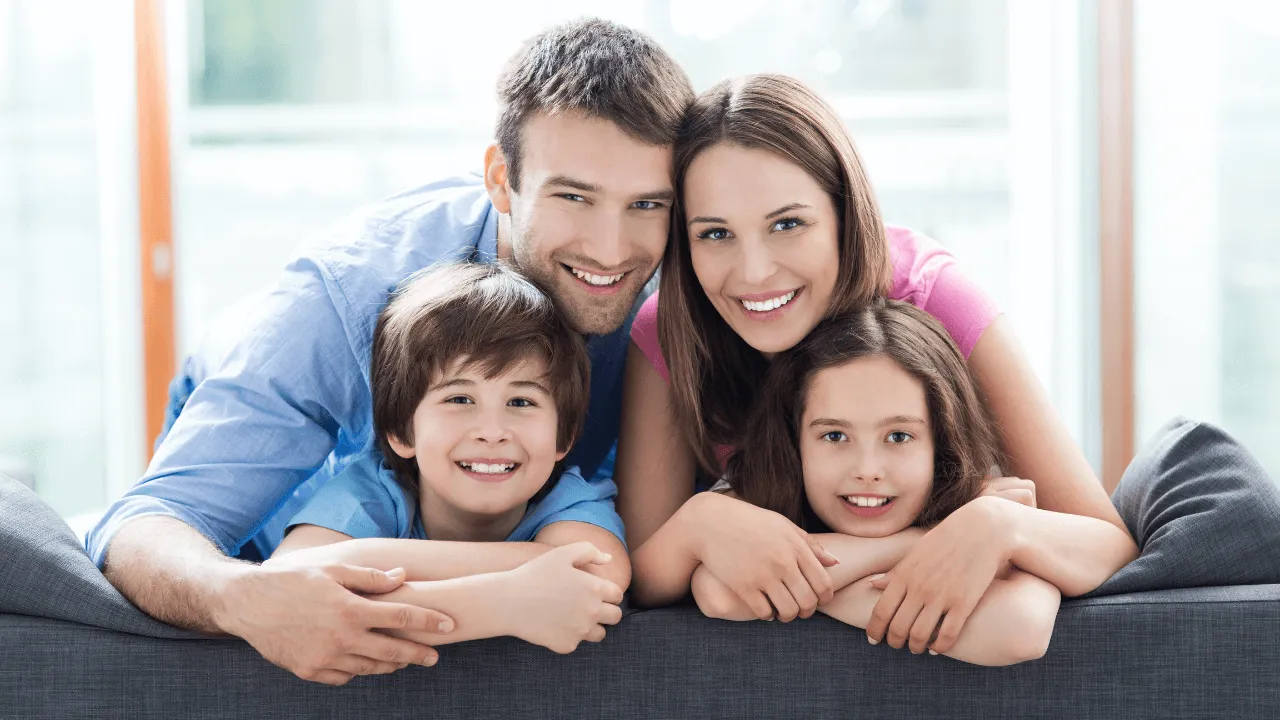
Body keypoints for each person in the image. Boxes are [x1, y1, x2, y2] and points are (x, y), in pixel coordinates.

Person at [87, 18, 694, 686]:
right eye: (573, 196)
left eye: (647, 204)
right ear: (502, 178)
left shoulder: (685, 277)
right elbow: (144, 527)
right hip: (286, 454)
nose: (611, 249)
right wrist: (249, 598)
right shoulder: (351, 294)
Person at [616, 74, 1138, 657]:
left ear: (844, 214)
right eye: (716, 234)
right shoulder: (673, 329)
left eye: (788, 224)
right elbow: (644, 581)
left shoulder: (932, 295)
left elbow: (1108, 544)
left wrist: (999, 525)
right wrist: (701, 523)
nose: (755, 271)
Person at [265, 262, 626, 655]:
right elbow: (289, 582)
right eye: (460, 399)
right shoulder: (371, 493)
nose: (492, 431)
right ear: (402, 430)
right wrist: (507, 601)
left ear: (564, 436)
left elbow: (596, 578)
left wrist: (356, 561)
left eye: (521, 402)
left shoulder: (571, 502)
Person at [689, 300, 1060, 666]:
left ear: (940, 444)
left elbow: (1022, 627)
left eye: (898, 436)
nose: (867, 470)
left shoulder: (986, 508)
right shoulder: (754, 500)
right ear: (794, 442)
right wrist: (929, 538)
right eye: (835, 436)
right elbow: (718, 590)